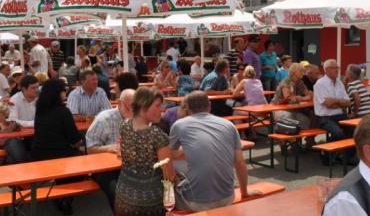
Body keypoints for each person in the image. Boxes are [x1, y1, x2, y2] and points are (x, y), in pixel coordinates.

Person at [170, 91, 259, 211]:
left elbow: (171, 155)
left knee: (170, 183)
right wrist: (245, 192)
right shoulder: (228, 125)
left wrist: (189, 148)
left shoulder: (179, 125)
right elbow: (240, 163)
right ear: (210, 106)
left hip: (194, 202)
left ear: (188, 109)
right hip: (227, 197)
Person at [114, 87, 175, 216]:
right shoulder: (157, 136)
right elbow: (169, 177)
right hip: (149, 204)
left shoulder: (124, 125)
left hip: (123, 196)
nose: (161, 110)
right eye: (157, 106)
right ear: (143, 106)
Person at [33, 79, 83, 214]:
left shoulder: (40, 110)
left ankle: (60, 193)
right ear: (57, 93)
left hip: (38, 155)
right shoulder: (63, 111)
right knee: (83, 163)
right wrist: (79, 143)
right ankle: (64, 196)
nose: (66, 92)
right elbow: (74, 138)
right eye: (63, 90)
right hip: (61, 155)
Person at [87, 89, 135, 210]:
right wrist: (109, 148)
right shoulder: (103, 119)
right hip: (105, 169)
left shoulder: (138, 118)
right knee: (117, 194)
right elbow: (90, 149)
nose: (133, 111)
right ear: (119, 103)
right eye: (129, 107)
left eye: (136, 107)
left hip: (129, 165)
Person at [314, 59, 351, 162]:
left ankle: (345, 157)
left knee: (355, 131)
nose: (337, 70)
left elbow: (348, 102)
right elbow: (328, 104)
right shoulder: (320, 84)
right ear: (326, 70)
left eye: (337, 68)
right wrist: (340, 102)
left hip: (339, 115)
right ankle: (325, 152)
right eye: (334, 68)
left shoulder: (339, 83)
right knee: (338, 133)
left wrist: (335, 101)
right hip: (325, 117)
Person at [5, 75, 40, 163]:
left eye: (37, 87)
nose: (37, 90)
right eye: (33, 88)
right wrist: (34, 123)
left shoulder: (41, 99)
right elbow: (13, 121)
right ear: (24, 89)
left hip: (36, 136)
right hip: (17, 137)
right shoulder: (15, 99)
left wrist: (35, 123)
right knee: (20, 157)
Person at [272, 62, 313, 128]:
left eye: (303, 71)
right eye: (301, 71)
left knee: (306, 120)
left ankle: (299, 134)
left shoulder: (300, 82)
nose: (303, 73)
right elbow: (288, 98)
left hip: (291, 109)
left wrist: (300, 98)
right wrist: (299, 98)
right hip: (278, 108)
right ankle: (288, 134)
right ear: (293, 72)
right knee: (292, 120)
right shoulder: (286, 82)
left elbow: (309, 96)